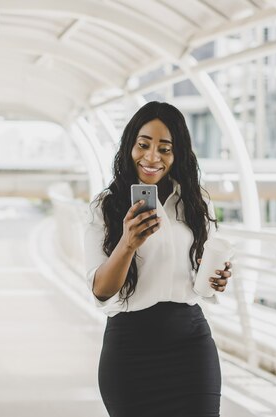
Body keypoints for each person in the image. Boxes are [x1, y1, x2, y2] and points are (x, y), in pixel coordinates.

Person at [84, 101, 232, 417]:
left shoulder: (196, 202)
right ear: (129, 147)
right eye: (144, 145)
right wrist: (127, 243)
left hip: (191, 345)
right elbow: (101, 290)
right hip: (130, 352)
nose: (152, 157)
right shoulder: (105, 207)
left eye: (165, 149)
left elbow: (199, 280)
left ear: (177, 155)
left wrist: (214, 278)